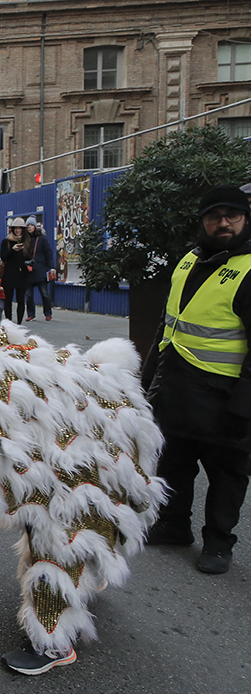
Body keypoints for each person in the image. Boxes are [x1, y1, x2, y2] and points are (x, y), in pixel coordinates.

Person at [142, 185, 251, 575]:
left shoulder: (249, 268)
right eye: (214, 216)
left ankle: (219, 543)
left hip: (226, 399)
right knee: (175, 463)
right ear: (203, 221)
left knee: (227, 475)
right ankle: (174, 525)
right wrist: (147, 379)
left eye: (231, 216)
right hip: (178, 390)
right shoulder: (188, 261)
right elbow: (166, 326)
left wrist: (243, 407)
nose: (223, 223)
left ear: (244, 218)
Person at [24, 216, 57, 321]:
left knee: (44, 293)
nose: (29, 228)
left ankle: (48, 313)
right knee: (28, 295)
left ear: (35, 226)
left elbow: (49, 254)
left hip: (40, 270)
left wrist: (52, 267)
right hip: (28, 270)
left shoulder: (41, 239)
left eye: (31, 225)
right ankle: (31, 314)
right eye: (28, 226)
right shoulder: (25, 240)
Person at [0, 218, 30, 324]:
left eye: (20, 228)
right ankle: (8, 321)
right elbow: (3, 257)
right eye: (16, 228)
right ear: (12, 229)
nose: (18, 230)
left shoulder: (27, 241)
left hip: (22, 273)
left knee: (21, 300)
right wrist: (13, 250)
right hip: (9, 273)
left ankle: (19, 323)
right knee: (8, 299)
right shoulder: (6, 241)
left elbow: (30, 256)